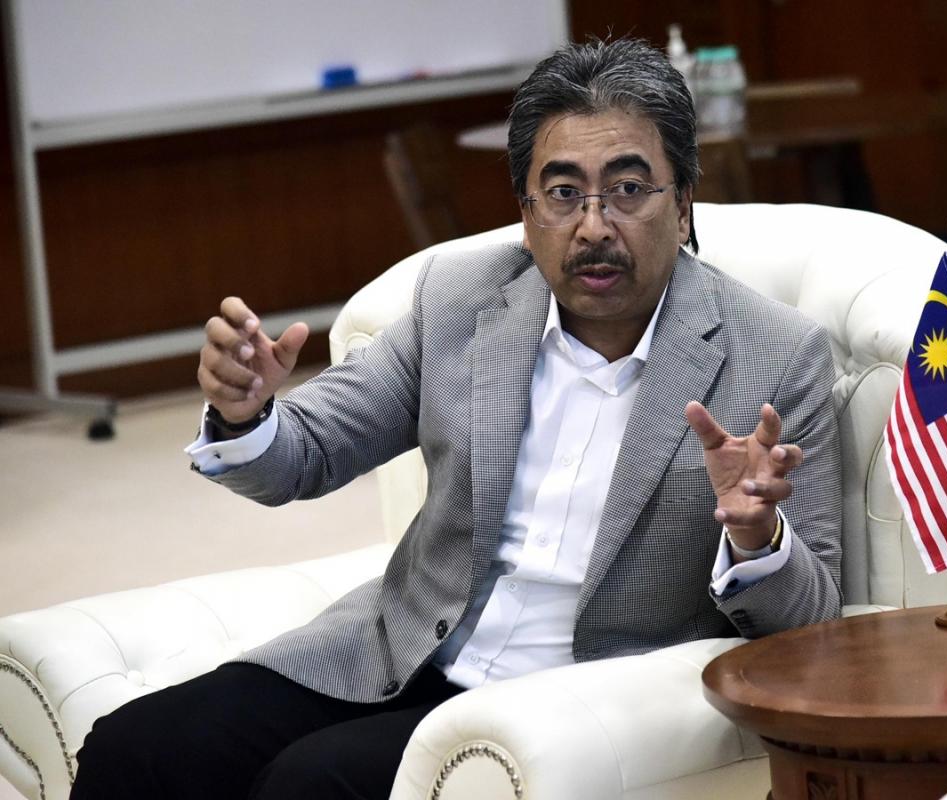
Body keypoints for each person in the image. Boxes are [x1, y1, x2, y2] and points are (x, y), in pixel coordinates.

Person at [70, 37, 842, 799]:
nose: (593, 226)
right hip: (401, 654)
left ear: (682, 205)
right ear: (525, 213)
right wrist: (246, 414)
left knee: (309, 785)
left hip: (568, 700)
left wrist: (754, 535)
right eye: (562, 193)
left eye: (628, 189)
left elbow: (814, 623)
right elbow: (306, 453)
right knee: (134, 749)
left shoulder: (776, 355)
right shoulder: (460, 298)